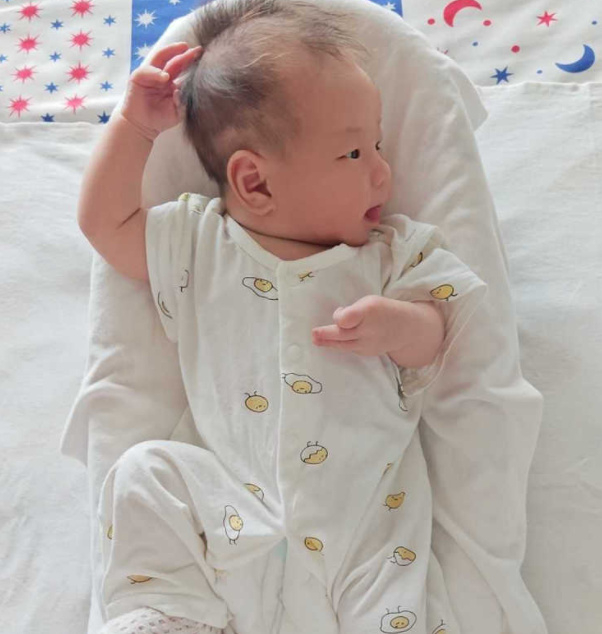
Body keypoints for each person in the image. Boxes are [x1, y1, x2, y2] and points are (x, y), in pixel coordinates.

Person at [78, 1, 487, 633]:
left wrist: (399, 325)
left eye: (378, 145)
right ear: (256, 184)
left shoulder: (389, 255)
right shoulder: (197, 243)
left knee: (398, 602)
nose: (384, 172)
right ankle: (171, 615)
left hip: (363, 522)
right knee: (144, 474)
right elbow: (106, 225)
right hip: (230, 510)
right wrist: (134, 127)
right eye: (355, 153)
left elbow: (439, 334)